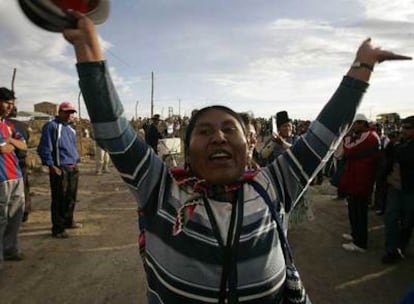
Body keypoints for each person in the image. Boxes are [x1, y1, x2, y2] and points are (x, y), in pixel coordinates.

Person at [62, 11, 410, 304]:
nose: (218, 136)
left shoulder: (272, 185)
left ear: (249, 145)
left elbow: (325, 132)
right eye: (204, 131)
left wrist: (362, 66)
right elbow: (115, 134)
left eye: (230, 129)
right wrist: (88, 48)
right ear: (187, 147)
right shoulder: (160, 189)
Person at [37, 101, 81, 238]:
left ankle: (68, 221)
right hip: (60, 168)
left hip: (72, 168)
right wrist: (51, 165)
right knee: (59, 199)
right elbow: (44, 148)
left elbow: (72, 147)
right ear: (60, 112)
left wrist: (76, 160)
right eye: (67, 112)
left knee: (71, 197)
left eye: (72, 113)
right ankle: (58, 228)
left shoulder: (71, 129)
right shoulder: (52, 126)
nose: (70, 115)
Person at [339, 113, 381, 252]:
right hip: (356, 179)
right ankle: (355, 235)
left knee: (359, 212)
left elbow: (349, 150)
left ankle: (360, 242)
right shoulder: (366, 136)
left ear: (362, 124)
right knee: (353, 210)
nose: (352, 127)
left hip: (362, 180)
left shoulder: (369, 137)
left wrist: (347, 135)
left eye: (355, 124)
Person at [381, 116, 414, 264]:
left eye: (407, 128)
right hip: (395, 187)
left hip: (410, 190)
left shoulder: (402, 147)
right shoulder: (399, 144)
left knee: (407, 223)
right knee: (391, 219)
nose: (403, 131)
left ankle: (400, 247)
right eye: (403, 128)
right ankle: (391, 250)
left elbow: (405, 158)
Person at [0, 87, 27, 266]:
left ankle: (10, 251)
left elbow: (23, 145)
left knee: (15, 217)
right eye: (6, 103)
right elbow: (2, 149)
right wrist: (6, 145)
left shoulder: (9, 125)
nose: (10, 107)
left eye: (12, 103)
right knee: (1, 219)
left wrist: (9, 141)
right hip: (1, 179)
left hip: (15, 176)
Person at [7, 106, 32, 222]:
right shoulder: (23, 126)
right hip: (21, 160)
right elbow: (27, 139)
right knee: (23, 187)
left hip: (9, 160)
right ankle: (25, 211)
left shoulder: (7, 125)